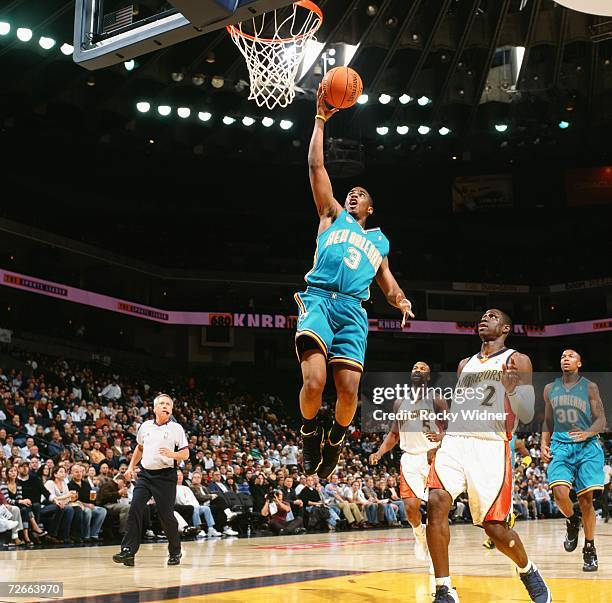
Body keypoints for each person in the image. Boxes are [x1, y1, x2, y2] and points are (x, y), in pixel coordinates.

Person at [297, 88, 414, 481]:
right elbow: (316, 168)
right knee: (314, 382)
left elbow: (387, 281)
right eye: (351, 192)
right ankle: (310, 433)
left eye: (360, 194)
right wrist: (319, 120)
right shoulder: (331, 215)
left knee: (348, 392)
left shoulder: (378, 240)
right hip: (319, 300)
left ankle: (336, 437)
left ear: (370, 208)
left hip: (352, 310)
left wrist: (400, 301)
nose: (353, 194)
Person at [426, 309, 551, 603]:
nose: (484, 318)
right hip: (456, 443)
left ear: (506, 327)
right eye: (482, 316)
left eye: (492, 316)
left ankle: (528, 570)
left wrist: (513, 393)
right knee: (435, 502)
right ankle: (444, 589)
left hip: (490, 445)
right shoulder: (463, 364)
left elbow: (527, 413)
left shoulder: (516, 360)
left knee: (494, 527)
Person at [370, 361, 447, 562]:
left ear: (428, 377)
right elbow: (394, 434)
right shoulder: (399, 403)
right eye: (415, 368)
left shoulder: (436, 400)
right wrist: (379, 452)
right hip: (410, 458)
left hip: (433, 457)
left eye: (423, 369)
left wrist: (439, 440)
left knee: (434, 510)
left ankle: (436, 557)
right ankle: (419, 534)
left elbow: (451, 429)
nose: (417, 370)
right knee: (411, 510)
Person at [541, 349, 606, 572]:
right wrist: (543, 443)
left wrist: (588, 433)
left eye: (570, 356)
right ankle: (571, 519)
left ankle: (589, 548)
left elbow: (601, 420)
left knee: (586, 499)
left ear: (579, 362)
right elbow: (547, 421)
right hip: (561, 446)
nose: (565, 358)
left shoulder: (589, 387)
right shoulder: (550, 388)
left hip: (587, 447)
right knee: (559, 493)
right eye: (562, 356)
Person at [113, 393, 189, 567]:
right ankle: (128, 551)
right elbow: (139, 448)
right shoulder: (146, 426)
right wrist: (131, 467)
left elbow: (186, 453)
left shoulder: (176, 428)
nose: (165, 406)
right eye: (161, 403)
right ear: (154, 408)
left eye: (168, 404)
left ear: (171, 409)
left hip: (166, 476)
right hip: (146, 475)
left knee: (166, 516)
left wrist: (173, 454)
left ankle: (175, 551)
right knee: (135, 508)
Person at [68, 463, 107, 542]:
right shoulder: (69, 485)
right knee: (88, 511)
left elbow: (90, 498)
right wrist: (87, 505)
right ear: (72, 473)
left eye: (80, 472)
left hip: (88, 505)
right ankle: (86, 535)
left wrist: (93, 501)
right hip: (78, 506)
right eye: (76, 472)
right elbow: (73, 500)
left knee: (102, 511)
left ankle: (94, 534)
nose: (79, 474)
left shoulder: (86, 484)